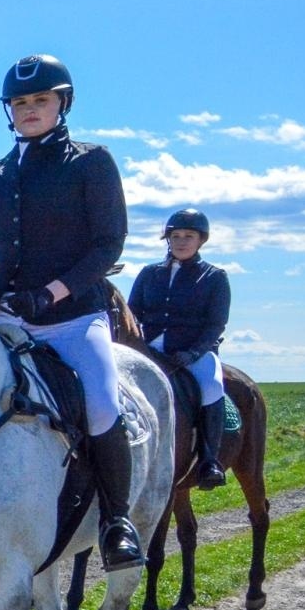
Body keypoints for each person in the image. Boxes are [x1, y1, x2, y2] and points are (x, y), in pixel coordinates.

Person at [0, 53, 141, 571]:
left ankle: (116, 522)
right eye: (20, 102)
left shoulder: (90, 162)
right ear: (9, 112)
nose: (30, 109)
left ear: (62, 103)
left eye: (40, 100)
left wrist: (51, 293)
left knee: (104, 405)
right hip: (6, 317)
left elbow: (108, 246)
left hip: (73, 317)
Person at [126, 208, 231, 489]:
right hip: (150, 349)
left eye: (189, 236)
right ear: (168, 239)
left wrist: (194, 353)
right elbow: (132, 312)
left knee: (211, 386)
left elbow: (215, 325)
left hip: (194, 353)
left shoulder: (214, 277)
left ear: (200, 240)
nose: (182, 241)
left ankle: (209, 460)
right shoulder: (149, 274)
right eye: (176, 235)